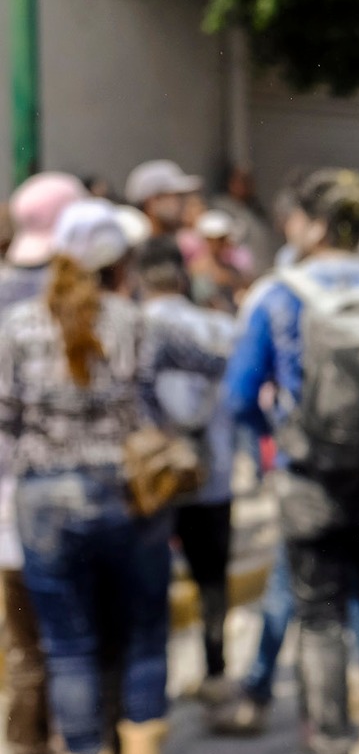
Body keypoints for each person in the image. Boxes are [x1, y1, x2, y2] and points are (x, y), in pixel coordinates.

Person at [0, 199, 224, 754]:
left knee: (69, 647)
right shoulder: (139, 322)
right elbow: (215, 358)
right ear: (120, 262)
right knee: (144, 634)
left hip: (44, 499)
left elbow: (5, 423)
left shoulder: (15, 328)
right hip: (128, 496)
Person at [224, 169, 359, 754]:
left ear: (318, 224)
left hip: (307, 477)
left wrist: (273, 441)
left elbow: (239, 394)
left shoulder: (277, 295)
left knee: (319, 614)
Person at [0, 173, 85, 754]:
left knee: (26, 641)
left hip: (10, 503)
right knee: (78, 634)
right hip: (78, 494)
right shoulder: (87, 303)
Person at [133, 237, 240, 704]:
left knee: (152, 584)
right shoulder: (219, 327)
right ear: (182, 276)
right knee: (211, 580)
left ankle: (152, 687)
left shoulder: (133, 328)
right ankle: (216, 671)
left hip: (156, 481)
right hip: (212, 476)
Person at [126, 159, 203, 241]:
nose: (182, 203)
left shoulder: (174, 242)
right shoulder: (133, 245)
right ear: (153, 201)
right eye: (176, 196)